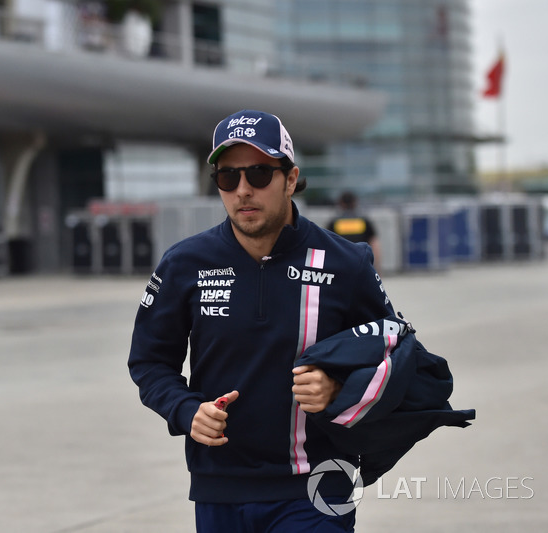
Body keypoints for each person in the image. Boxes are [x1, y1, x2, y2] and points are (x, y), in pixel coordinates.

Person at [127, 110, 396, 532]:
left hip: (319, 486)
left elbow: (395, 354)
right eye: (228, 177)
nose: (243, 190)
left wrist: (340, 387)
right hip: (219, 488)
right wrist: (185, 409)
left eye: (258, 173)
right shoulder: (184, 263)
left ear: (291, 179)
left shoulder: (346, 263)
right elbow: (148, 362)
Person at [327, 191, 381, 265]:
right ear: (355, 202)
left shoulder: (334, 223)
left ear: (341, 203)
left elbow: (328, 246)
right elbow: (374, 245)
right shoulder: (364, 221)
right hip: (362, 263)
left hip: (341, 263)